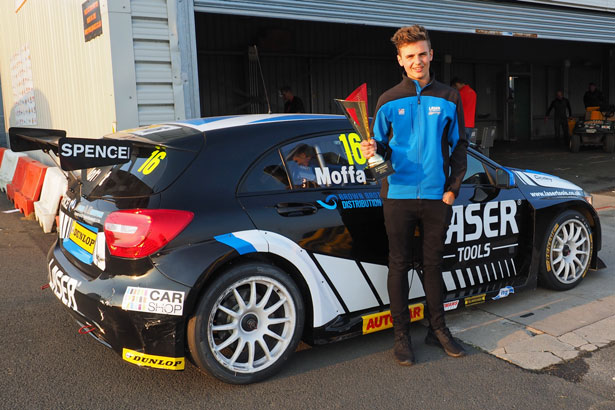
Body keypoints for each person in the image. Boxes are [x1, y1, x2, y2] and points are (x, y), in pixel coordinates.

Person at [360, 25, 467, 366]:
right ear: (400, 61)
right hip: (399, 195)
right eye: (410, 56)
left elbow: (460, 146)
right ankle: (401, 336)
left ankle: (437, 330)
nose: (417, 61)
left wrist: (452, 189)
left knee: (434, 265)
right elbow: (378, 156)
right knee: (399, 266)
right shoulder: (388, 101)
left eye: (422, 54)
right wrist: (371, 154)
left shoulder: (450, 97)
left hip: (437, 196)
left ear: (431, 54)